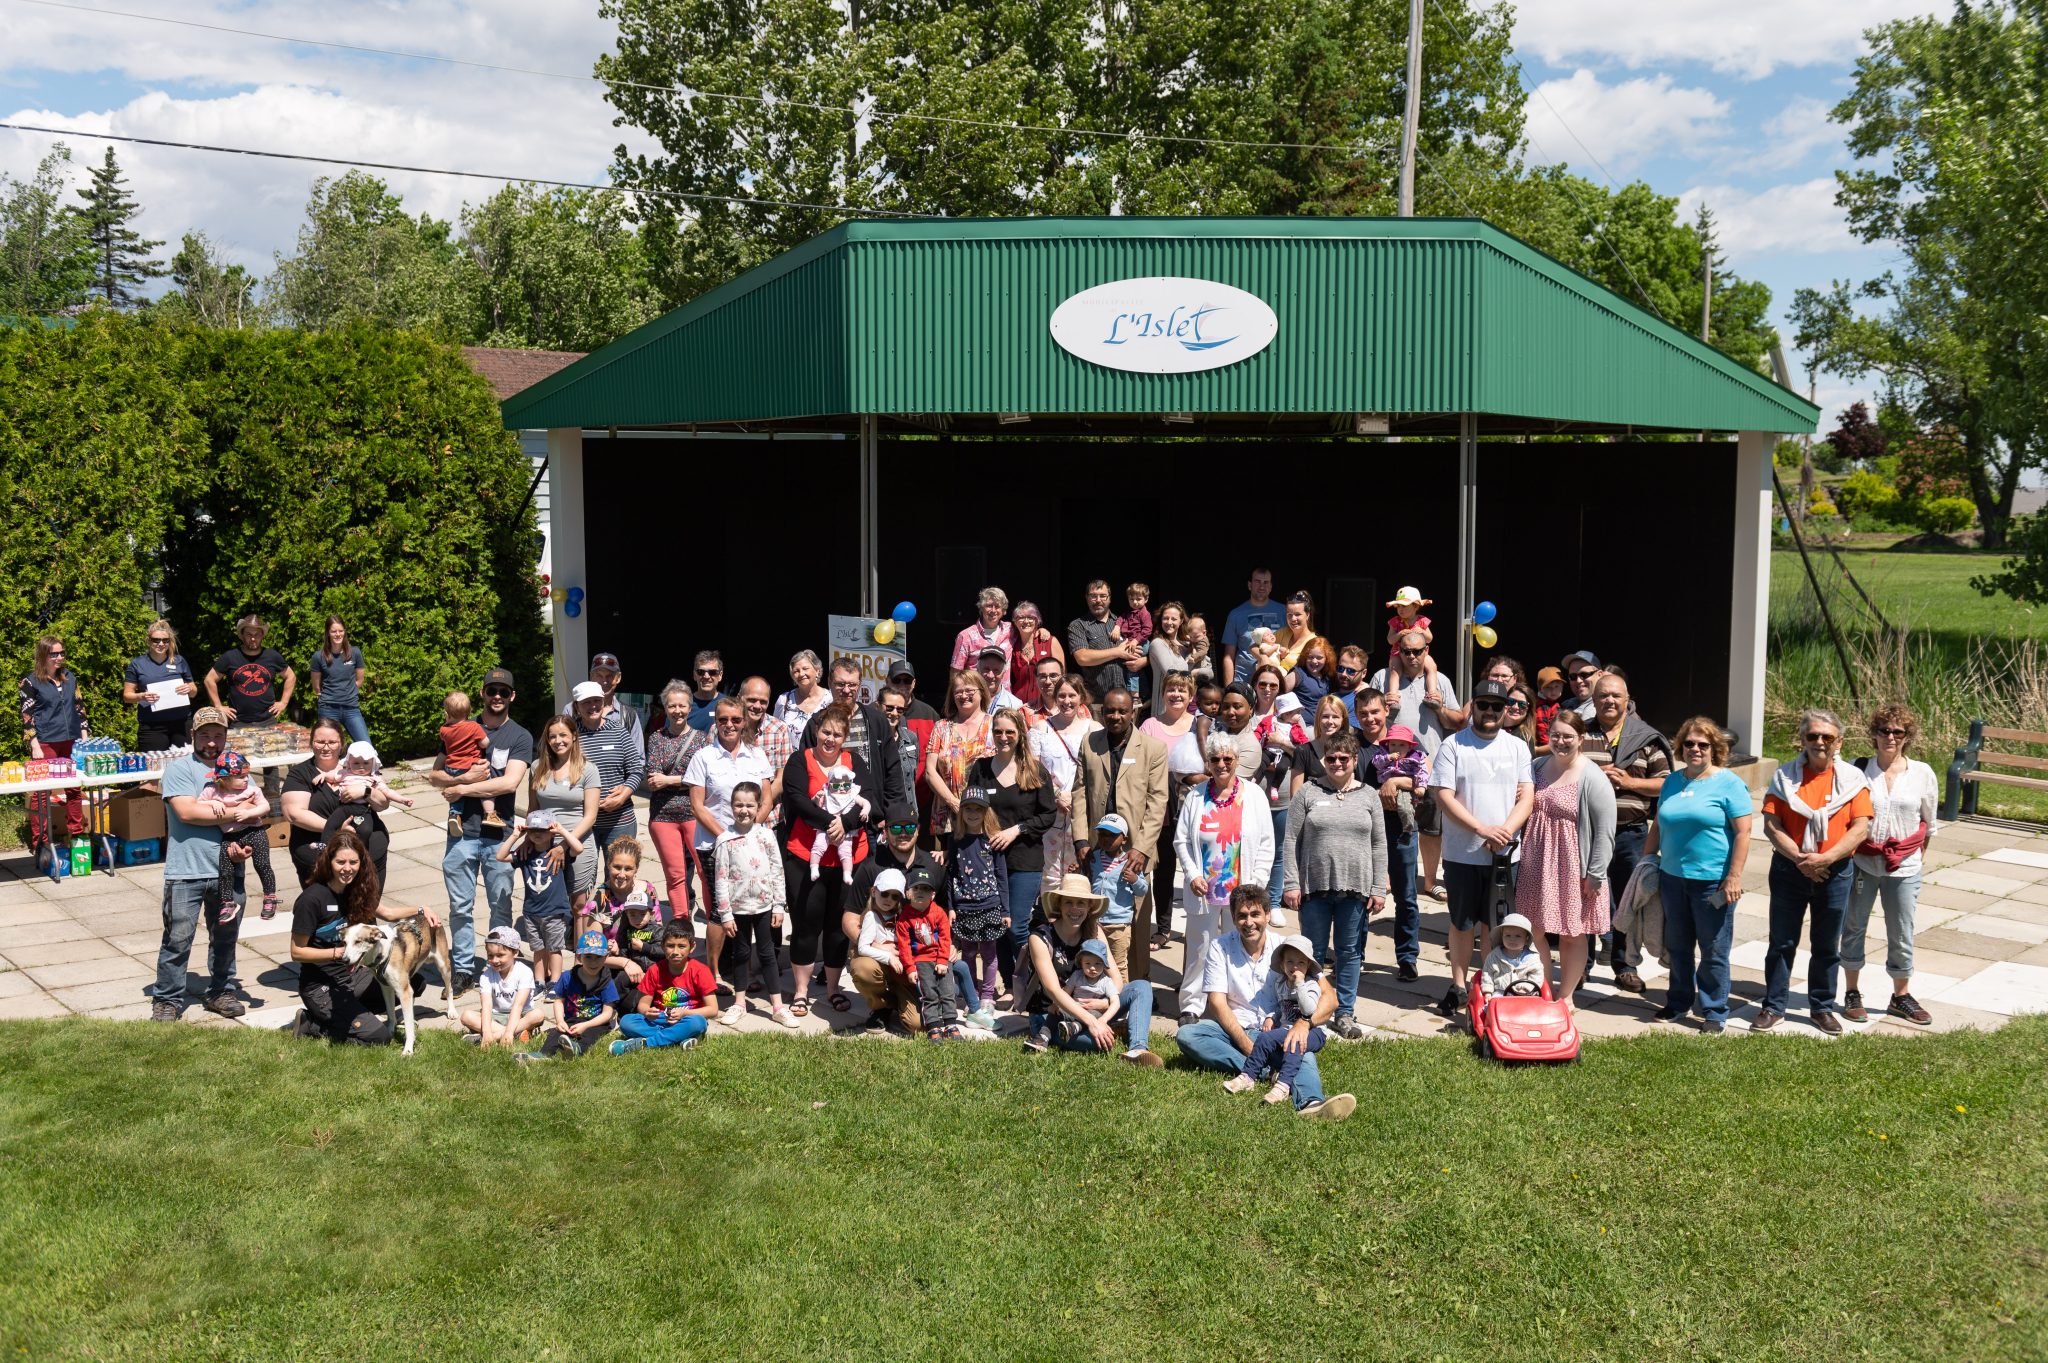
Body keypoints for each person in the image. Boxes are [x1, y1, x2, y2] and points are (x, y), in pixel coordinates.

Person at [1173, 888, 1355, 1119]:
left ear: (1268, 915)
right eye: (1242, 916)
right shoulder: (1220, 947)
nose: (1249, 922)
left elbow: (1330, 998)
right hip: (1236, 1028)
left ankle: (1311, 1103)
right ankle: (1266, 1070)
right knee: (1188, 1034)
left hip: (1279, 1031)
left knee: (1300, 1047)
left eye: (1255, 914)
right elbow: (1217, 1003)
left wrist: (1304, 1024)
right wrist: (1246, 1045)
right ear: (1233, 918)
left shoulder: (1287, 949)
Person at [1757, 708, 1872, 1035]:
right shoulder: (1784, 777)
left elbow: (1860, 828)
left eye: (1827, 737)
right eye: (1812, 735)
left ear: (1839, 741)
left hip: (1835, 872)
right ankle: (1773, 1006)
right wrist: (1801, 860)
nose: (1820, 742)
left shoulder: (1853, 780)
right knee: (1781, 942)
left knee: (1826, 944)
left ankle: (1821, 1007)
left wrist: (1825, 859)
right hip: (1789, 869)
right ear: (1802, 739)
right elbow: (1771, 824)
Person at [1430, 679, 1534, 1017]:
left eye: (1497, 706)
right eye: (1484, 705)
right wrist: (1481, 829)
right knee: (1462, 923)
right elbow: (1443, 796)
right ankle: (1458, 986)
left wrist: (1505, 832)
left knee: (1496, 926)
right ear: (1472, 706)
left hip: (1504, 854)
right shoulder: (1453, 745)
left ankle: (1491, 986)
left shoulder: (1517, 747)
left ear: (1506, 710)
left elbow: (1527, 796)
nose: (1490, 711)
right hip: (1462, 853)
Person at [1645, 716, 1754, 1034]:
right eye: (1689, 743)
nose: (1695, 749)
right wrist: (1646, 861)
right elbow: (1658, 824)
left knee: (1713, 950)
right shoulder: (1672, 782)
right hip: (1672, 878)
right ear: (1681, 747)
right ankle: (1678, 1002)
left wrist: (1734, 877)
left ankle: (1714, 1010)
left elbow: (1744, 833)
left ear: (1714, 748)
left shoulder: (1729, 783)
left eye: (1703, 744)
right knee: (1678, 946)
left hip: (1712, 882)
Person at [286, 827, 443, 1044]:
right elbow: (296, 952)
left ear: (361, 863)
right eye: (340, 862)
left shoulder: (355, 891)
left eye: (353, 862)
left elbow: (388, 913)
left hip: (352, 977)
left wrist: (421, 909)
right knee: (378, 1037)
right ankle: (312, 1023)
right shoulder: (312, 900)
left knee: (414, 983)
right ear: (329, 862)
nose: (347, 868)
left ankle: (348, 1014)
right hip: (321, 986)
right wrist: (339, 953)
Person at [431, 667, 532, 993]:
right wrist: (464, 779)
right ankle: (462, 970)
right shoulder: (459, 726)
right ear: (482, 694)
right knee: (460, 908)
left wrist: (461, 788)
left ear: (512, 696)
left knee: (500, 906)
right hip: (461, 834)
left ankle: (498, 966)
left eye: (503, 691)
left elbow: (509, 783)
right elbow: (435, 776)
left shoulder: (519, 736)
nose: (497, 697)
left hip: (499, 836)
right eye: (492, 691)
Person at [1280, 731, 1386, 1039]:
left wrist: (1379, 887)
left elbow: (1379, 844)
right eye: (1331, 758)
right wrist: (1291, 882)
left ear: (1354, 760)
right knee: (1310, 953)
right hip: (1314, 887)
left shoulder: (1369, 796)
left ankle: (1345, 1012)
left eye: (1343, 758)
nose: (1337, 763)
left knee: (1349, 952)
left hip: (1356, 887)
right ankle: (1310, 1008)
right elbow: (1291, 839)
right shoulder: (1308, 792)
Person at [149, 706, 251, 1021]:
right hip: (186, 870)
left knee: (225, 938)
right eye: (205, 735)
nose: (212, 742)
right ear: (193, 735)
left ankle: (221, 991)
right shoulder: (179, 770)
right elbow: (187, 813)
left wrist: (244, 838)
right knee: (178, 939)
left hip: (228, 870)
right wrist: (238, 812)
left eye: (218, 735)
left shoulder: (237, 768)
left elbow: (256, 814)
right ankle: (167, 999)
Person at [1844, 703, 1939, 1026]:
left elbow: (1928, 824)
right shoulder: (1857, 770)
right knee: (1854, 925)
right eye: (1884, 730)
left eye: (1898, 732)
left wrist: (1911, 857)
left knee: (1901, 930)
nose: (1891, 737)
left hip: (1904, 866)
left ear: (1907, 737)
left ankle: (1901, 996)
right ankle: (1852, 992)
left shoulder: (1922, 773)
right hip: (1862, 861)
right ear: (1874, 734)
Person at [1173, 731, 1276, 1023]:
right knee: (1200, 948)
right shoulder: (1196, 796)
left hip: (1241, 891)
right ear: (1208, 762)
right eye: (1215, 759)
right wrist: (1192, 874)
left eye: (1227, 758)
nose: (1221, 764)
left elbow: (1267, 843)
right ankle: (1192, 1005)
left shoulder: (1254, 795)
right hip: (1204, 890)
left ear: (1237, 760)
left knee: (1239, 948)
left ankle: (1234, 1005)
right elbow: (1181, 840)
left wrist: (1256, 885)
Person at [1068, 687, 1169, 982]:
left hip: (1135, 850)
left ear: (1132, 712)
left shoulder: (1153, 748)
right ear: (1102, 713)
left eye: (1122, 711)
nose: (1115, 716)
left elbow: (1157, 802)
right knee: (1094, 918)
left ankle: (1137, 986)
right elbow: (1079, 794)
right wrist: (1081, 840)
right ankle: (1096, 985)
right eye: (1110, 711)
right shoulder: (1090, 743)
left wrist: (1142, 848)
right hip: (1096, 848)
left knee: (1136, 922)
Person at [1513, 710, 1613, 1005]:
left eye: (1568, 736)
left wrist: (1595, 874)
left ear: (1581, 739)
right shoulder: (1537, 766)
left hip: (1573, 867)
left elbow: (1605, 831)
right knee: (1533, 929)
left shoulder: (1592, 776)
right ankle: (1543, 990)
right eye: (1555, 735)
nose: (1560, 742)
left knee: (1572, 933)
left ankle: (1566, 996)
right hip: (1536, 862)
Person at [781, 704, 873, 1015]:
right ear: (816, 732)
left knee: (838, 926)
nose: (830, 739)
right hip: (806, 855)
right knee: (806, 924)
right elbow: (796, 799)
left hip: (849, 858)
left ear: (845, 738)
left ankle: (833, 989)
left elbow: (869, 797)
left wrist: (845, 823)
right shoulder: (800, 760)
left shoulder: (854, 762)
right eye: (826, 732)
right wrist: (829, 823)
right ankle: (801, 992)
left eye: (837, 734)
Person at [1584, 672, 1672, 995]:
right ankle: (1581, 965)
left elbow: (1667, 783)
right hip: (1588, 833)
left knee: (1627, 901)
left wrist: (1630, 782)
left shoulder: (1646, 739)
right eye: (1602, 695)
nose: (1609, 700)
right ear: (1593, 701)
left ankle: (1624, 966)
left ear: (1627, 700)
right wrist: (1594, 775)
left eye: (1615, 695)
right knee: (1584, 897)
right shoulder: (1580, 734)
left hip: (1630, 834)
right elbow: (1563, 770)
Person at [1019, 872, 1160, 1064]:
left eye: (1081, 903)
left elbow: (1116, 980)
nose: (1075, 909)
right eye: (1069, 902)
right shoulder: (1040, 938)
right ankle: (1115, 1028)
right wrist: (1092, 1022)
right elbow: (1054, 991)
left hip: (1096, 1006)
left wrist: (1105, 1004)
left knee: (1141, 986)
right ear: (1059, 905)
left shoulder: (1094, 930)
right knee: (1096, 1043)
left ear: (1089, 907)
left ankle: (1138, 1049)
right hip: (1052, 1015)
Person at [968, 706, 1060, 982]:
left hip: (1024, 859)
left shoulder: (1035, 771)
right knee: (996, 925)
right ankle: (1010, 983)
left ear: (1020, 733)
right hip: (989, 859)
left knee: (1017, 925)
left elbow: (1048, 814)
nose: (1003, 737)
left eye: (1010, 731)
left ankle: (1035, 981)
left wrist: (1016, 830)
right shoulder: (981, 769)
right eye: (998, 732)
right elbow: (970, 808)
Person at [1372, 629, 1463, 901]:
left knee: (1431, 828)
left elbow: (1457, 721)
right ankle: (1389, 878)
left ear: (1426, 651)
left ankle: (1430, 882)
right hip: (1392, 767)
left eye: (1417, 651)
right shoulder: (1383, 677)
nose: (1412, 656)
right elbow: (1369, 717)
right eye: (1406, 651)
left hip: (1430, 765)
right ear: (1398, 651)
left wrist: (1439, 708)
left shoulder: (1440, 680)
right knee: (1390, 825)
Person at [687, 695, 774, 967]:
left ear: (744, 721)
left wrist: (749, 832)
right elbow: (697, 806)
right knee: (720, 909)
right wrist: (728, 837)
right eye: (723, 719)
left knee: (746, 906)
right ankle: (713, 971)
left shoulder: (757, 755)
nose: (729, 724)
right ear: (716, 721)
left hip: (751, 845)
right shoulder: (703, 757)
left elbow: (767, 800)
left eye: (736, 719)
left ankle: (739, 967)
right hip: (714, 845)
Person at [1351, 690, 1421, 982]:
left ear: (1386, 711)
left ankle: (1407, 957)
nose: (1370, 718)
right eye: (1363, 713)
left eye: (1375, 712)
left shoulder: (1402, 738)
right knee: (1359, 895)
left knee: (1406, 896)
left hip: (1400, 829)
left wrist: (1397, 780)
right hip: (1363, 829)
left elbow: (1425, 777)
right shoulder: (1353, 744)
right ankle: (1355, 956)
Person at [713, 782, 797, 1028]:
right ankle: (739, 1003)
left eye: (750, 805)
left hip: (764, 907)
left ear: (759, 807)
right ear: (731, 806)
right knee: (741, 954)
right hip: (738, 909)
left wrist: (779, 905)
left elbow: (777, 870)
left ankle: (778, 1006)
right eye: (739, 805)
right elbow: (721, 879)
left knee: (767, 953)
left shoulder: (766, 835)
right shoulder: (725, 839)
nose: (744, 810)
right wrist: (725, 914)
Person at [280, 717, 387, 889]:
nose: (326, 747)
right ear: (311, 743)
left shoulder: (359, 764)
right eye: (320, 742)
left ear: (341, 744)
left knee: (366, 903)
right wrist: (335, 829)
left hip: (366, 846)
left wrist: (366, 791)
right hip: (318, 847)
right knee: (325, 904)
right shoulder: (300, 773)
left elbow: (382, 804)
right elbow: (293, 814)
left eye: (332, 742)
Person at [1221, 933, 1327, 1102]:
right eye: (1290, 962)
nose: (1295, 967)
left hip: (1314, 1032)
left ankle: (1283, 1085)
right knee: (1265, 1038)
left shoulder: (1310, 985)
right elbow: (1281, 1006)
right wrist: (1272, 1017)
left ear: (1308, 965)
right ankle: (1248, 1076)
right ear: (1282, 964)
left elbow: (1308, 1010)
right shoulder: (1281, 984)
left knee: (1294, 1042)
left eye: (1301, 963)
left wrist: (1299, 985)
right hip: (1287, 1029)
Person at [803, 657, 906, 825]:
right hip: (828, 820)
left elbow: (893, 773)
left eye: (852, 684)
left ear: (859, 685)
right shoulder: (816, 723)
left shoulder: (876, 721)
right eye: (840, 684)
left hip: (870, 819)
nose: (846, 690)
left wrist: (890, 815)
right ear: (829, 683)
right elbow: (805, 771)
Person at [19, 634, 89, 876]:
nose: (59, 657)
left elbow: (79, 707)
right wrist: (34, 744)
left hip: (71, 742)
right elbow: (26, 716)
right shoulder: (29, 682)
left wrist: (84, 737)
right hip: (46, 742)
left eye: (61, 653)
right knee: (42, 793)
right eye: (54, 654)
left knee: (74, 789)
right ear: (43, 655)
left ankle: (76, 836)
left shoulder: (70, 677)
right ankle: (41, 842)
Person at [1140, 669, 1199, 950]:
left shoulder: (1200, 724)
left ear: (1191, 695)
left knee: (1195, 869)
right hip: (1160, 809)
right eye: (1171, 689)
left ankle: (1198, 926)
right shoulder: (1150, 726)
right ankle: (1163, 928)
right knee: (1164, 871)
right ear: (1162, 694)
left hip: (1194, 808)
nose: (1176, 694)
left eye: (1182, 690)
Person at [528, 715, 602, 917]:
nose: (557, 741)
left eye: (563, 735)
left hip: (578, 842)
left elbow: (590, 817)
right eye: (552, 736)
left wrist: (563, 846)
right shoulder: (537, 767)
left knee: (579, 906)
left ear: (574, 736)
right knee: (550, 902)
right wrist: (528, 838)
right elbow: (533, 808)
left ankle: (581, 939)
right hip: (544, 844)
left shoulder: (588, 769)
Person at [612, 918, 720, 1054]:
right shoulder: (655, 970)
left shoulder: (701, 971)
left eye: (682, 946)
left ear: (692, 947)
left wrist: (684, 1013)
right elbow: (643, 1005)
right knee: (626, 1022)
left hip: (688, 1018)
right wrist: (647, 1012)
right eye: (670, 946)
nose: (675, 951)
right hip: (660, 1018)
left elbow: (713, 1010)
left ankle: (647, 1043)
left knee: (698, 1023)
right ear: (663, 946)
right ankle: (678, 1036)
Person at [943, 790, 1008, 1011]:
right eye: (968, 809)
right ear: (961, 812)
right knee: (968, 954)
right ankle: (972, 994)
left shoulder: (993, 840)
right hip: (964, 907)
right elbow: (951, 876)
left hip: (990, 905)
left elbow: (1001, 876)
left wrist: (1005, 910)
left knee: (989, 954)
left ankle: (987, 996)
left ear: (986, 812)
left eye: (978, 809)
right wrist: (951, 907)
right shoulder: (955, 840)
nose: (972, 813)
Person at [643, 680, 703, 919]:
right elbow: (653, 778)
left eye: (682, 705)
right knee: (675, 875)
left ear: (690, 707)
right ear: (665, 708)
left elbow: (704, 778)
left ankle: (716, 923)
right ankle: (681, 923)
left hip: (695, 813)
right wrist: (686, 779)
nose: (677, 711)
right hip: (663, 816)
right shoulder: (656, 738)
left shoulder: (702, 739)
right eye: (672, 706)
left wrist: (669, 780)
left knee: (705, 871)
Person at [498, 809, 578, 987]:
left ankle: (555, 982)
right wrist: (515, 836)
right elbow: (500, 856)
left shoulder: (559, 853)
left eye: (542, 830)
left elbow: (578, 848)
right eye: (532, 830)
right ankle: (539, 981)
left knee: (555, 949)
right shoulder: (525, 853)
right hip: (531, 912)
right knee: (538, 949)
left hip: (554, 911)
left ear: (551, 832)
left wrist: (562, 831)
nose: (537, 834)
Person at [200, 750, 277, 923]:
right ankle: (227, 902)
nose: (246, 779)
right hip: (230, 836)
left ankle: (270, 897)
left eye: (247, 775)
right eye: (241, 776)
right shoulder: (212, 790)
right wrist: (213, 802)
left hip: (254, 831)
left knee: (262, 864)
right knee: (225, 870)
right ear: (225, 779)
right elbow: (198, 804)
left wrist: (250, 813)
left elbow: (265, 807)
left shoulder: (252, 790)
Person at [523, 929, 622, 1061]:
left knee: (590, 1035)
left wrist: (586, 1025)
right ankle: (543, 1055)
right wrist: (560, 1021)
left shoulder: (607, 982)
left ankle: (577, 1049)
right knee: (556, 1033)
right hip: (572, 1019)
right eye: (588, 957)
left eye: (598, 957)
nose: (593, 962)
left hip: (596, 1023)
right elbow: (558, 1001)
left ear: (606, 957)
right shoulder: (567, 977)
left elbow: (607, 1014)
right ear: (579, 957)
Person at [572, 679, 645, 852]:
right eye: (586, 702)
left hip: (620, 820)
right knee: (584, 869)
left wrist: (622, 796)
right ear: (576, 706)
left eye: (597, 700)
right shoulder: (571, 734)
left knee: (618, 869)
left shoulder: (618, 731)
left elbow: (636, 769)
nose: (593, 706)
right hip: (581, 821)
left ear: (603, 702)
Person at [894, 868, 964, 1038]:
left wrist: (942, 960)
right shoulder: (904, 918)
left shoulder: (939, 913)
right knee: (929, 994)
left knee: (947, 992)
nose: (920, 892)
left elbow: (945, 938)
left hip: (941, 959)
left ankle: (951, 1024)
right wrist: (910, 968)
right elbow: (904, 946)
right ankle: (934, 1026)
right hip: (921, 961)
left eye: (925, 889)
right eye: (916, 888)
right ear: (908, 893)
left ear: (933, 894)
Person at [924, 670, 994, 839]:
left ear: (982, 692)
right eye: (958, 692)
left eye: (969, 690)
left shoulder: (995, 725)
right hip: (947, 819)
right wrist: (953, 802)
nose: (963, 696)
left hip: (985, 817)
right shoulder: (941, 727)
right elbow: (929, 771)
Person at [123, 619, 197, 753]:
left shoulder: (179, 661)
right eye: (156, 640)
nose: (161, 644)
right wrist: (142, 696)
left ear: (170, 642)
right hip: (152, 726)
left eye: (165, 640)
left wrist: (189, 688)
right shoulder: (137, 664)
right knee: (154, 765)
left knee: (185, 762)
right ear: (149, 641)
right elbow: (127, 696)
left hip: (182, 724)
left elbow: (194, 691)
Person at [462, 925, 542, 1048]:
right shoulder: (486, 976)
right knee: (466, 1016)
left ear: (515, 952)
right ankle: (517, 1034)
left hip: (521, 1014)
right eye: (490, 956)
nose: (494, 960)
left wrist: (507, 1032)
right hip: (496, 1016)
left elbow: (518, 1005)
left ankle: (495, 1036)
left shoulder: (524, 972)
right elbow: (486, 1006)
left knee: (538, 1014)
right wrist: (487, 1032)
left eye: (500, 955)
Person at [1068, 578, 1143, 701]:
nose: (1098, 600)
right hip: (1096, 702)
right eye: (1093, 596)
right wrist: (1118, 652)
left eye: (1103, 596)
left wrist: (1144, 661)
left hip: (1128, 701)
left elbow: (1146, 647)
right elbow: (1082, 657)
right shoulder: (1078, 625)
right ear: (1086, 598)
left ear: (1109, 598)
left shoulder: (1125, 622)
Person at [439, 690, 498, 838]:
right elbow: (485, 743)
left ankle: (455, 815)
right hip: (470, 765)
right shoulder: (473, 726)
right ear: (469, 712)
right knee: (486, 783)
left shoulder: (444, 730)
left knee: (456, 790)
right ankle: (490, 813)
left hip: (451, 767)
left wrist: (448, 721)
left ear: (447, 714)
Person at [307, 616, 369, 744]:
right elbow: (316, 686)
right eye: (334, 631)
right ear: (328, 633)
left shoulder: (355, 653)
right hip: (328, 709)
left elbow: (359, 680)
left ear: (345, 632)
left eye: (340, 631)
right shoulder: (318, 657)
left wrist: (347, 691)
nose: (338, 634)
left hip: (351, 708)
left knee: (366, 746)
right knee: (328, 746)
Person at [1221, 567, 1285, 686]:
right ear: (1249, 585)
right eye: (1257, 581)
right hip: (1244, 682)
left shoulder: (1283, 611)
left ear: (1271, 587)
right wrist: (1229, 688)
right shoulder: (1235, 614)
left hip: (1274, 683)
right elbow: (1228, 656)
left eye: (1266, 582)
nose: (1262, 586)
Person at [573, 652, 645, 749]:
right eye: (599, 675)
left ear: (618, 678)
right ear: (591, 677)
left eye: (610, 676)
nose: (604, 681)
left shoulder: (629, 715)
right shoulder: (572, 710)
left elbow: (637, 755)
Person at [1008, 600, 1066, 709]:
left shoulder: (1050, 641)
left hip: (1046, 704)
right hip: (1019, 705)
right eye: (1021, 617)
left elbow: (1062, 676)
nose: (1026, 621)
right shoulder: (1011, 645)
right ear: (1015, 622)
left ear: (1037, 620)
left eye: (1030, 617)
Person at [952, 585, 1015, 672]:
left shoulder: (1011, 629)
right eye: (989, 606)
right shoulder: (966, 636)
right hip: (976, 681)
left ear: (1003, 610)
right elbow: (955, 673)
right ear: (981, 608)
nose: (993, 610)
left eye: (997, 606)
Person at [1481, 913, 1545, 996]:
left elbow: (1537, 975)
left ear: (1526, 939)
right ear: (1502, 937)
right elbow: (1487, 974)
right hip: (1501, 992)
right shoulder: (1494, 956)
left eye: (1518, 936)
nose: (1512, 939)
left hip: (1526, 993)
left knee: (1536, 1003)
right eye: (1508, 935)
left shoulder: (1532, 958)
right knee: (1493, 1002)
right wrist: (1488, 991)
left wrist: (1527, 987)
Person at [1145, 601, 1193, 704]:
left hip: (1185, 704)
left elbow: (1208, 671)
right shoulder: (1158, 643)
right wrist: (1195, 671)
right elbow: (1172, 673)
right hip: (1165, 706)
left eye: (1174, 619)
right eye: (1165, 618)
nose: (1169, 622)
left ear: (1181, 621)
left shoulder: (1186, 646)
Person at [773, 649, 831, 731]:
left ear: (817, 671)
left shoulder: (830, 699)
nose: (801, 674)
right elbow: (775, 731)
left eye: (805, 668)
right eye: (796, 671)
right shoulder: (784, 700)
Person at [976, 644, 1024, 715]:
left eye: (996, 670)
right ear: (978, 670)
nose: (990, 675)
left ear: (1003, 673)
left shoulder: (1015, 705)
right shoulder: (967, 699)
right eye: (986, 669)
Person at [1560, 651, 1603, 720]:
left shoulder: (1605, 706)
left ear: (1599, 675)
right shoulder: (1565, 705)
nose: (1578, 681)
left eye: (1584, 675)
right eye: (1573, 676)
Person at [1531, 667, 1565, 748]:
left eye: (1556, 686)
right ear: (1540, 689)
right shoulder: (1543, 706)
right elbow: (1541, 728)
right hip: (1546, 746)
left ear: (1562, 687)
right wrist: (1548, 745)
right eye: (1548, 687)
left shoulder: (1553, 703)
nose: (1553, 691)